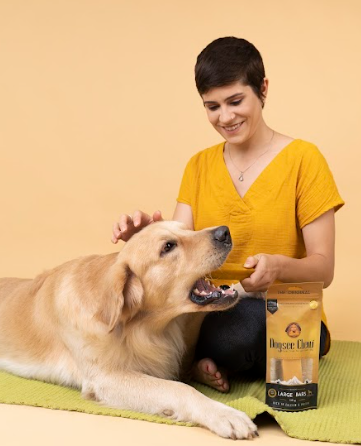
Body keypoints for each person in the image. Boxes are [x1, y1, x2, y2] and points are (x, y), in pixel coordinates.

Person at [111, 37, 344, 393]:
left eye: (236, 101)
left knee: (246, 330)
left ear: (262, 89)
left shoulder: (305, 160)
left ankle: (199, 359)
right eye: (213, 106)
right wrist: (147, 237)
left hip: (282, 311)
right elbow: (182, 253)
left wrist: (279, 267)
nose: (226, 117)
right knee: (138, 323)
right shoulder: (199, 165)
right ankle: (203, 358)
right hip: (210, 307)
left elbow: (323, 269)